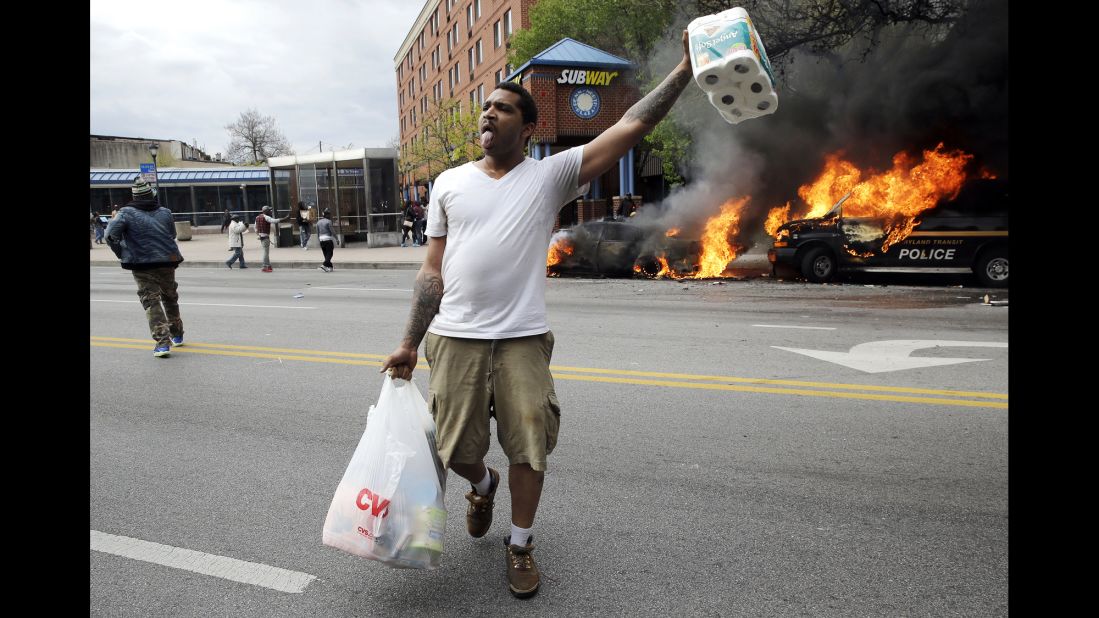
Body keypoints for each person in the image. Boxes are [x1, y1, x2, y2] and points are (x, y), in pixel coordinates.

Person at [380, 30, 694, 599]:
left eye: (501, 108)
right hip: (454, 338)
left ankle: (520, 544)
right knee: (458, 451)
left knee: (529, 442)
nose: (488, 114)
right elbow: (433, 269)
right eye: (485, 107)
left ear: (527, 129)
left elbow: (630, 128)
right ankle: (483, 485)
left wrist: (684, 70)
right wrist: (408, 341)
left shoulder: (548, 177)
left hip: (523, 338)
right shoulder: (448, 183)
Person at [104, 177, 185, 357]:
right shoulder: (165, 212)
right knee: (170, 296)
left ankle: (163, 343)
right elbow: (171, 234)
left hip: (141, 262)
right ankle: (177, 334)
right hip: (167, 260)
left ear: (134, 196)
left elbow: (110, 236)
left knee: (151, 300)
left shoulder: (125, 213)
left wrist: (122, 252)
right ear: (151, 195)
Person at [255, 205, 287, 272]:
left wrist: (258, 234)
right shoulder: (266, 217)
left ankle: (268, 266)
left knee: (266, 252)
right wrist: (284, 218)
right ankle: (265, 267)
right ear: (266, 211)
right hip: (265, 237)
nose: (270, 211)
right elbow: (274, 221)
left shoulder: (257, 217)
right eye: (269, 210)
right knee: (265, 253)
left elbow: (255, 228)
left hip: (261, 237)